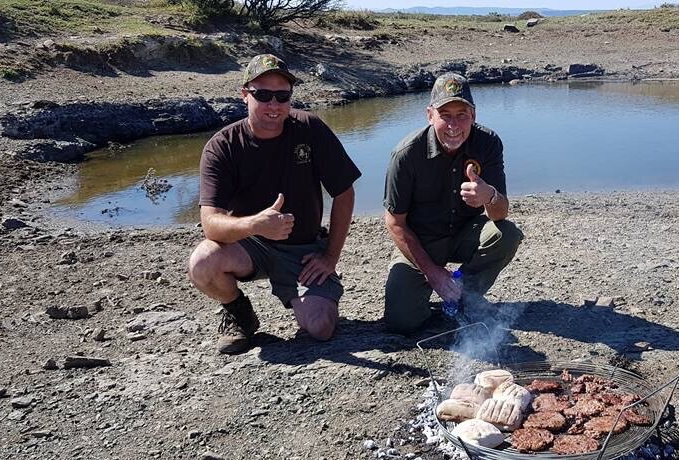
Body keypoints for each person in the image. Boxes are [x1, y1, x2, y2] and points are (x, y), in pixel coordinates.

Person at [187, 54, 360, 354]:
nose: (274, 104)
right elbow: (210, 223)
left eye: (282, 96)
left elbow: (344, 193)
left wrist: (330, 256)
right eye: (263, 95)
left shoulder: (311, 129)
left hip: (305, 251)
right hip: (250, 246)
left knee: (321, 329)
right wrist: (256, 225)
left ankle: (313, 294)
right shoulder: (222, 146)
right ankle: (238, 311)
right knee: (202, 263)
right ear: (244, 95)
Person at [383, 72, 523, 333]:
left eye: (462, 115)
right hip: (421, 240)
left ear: (474, 115)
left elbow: (501, 212)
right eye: (445, 115)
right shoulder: (406, 154)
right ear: (429, 115)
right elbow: (395, 223)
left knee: (507, 234)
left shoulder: (488, 143)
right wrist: (433, 273)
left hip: (464, 233)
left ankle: (463, 295)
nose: (454, 125)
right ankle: (442, 286)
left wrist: (489, 195)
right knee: (401, 322)